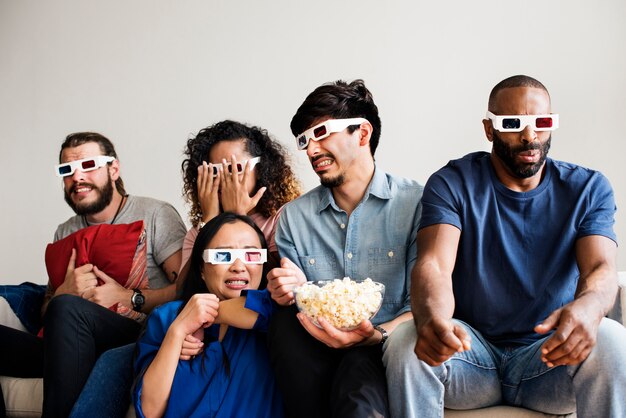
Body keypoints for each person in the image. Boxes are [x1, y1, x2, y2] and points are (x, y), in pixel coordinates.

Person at [383, 75, 626, 418]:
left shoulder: (588, 187)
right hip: (471, 357)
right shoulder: (453, 182)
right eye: (513, 124)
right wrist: (432, 319)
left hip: (550, 358)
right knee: (406, 341)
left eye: (541, 123)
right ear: (489, 129)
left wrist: (589, 306)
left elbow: (601, 268)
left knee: (612, 339)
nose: (530, 136)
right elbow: (434, 264)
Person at [0, 132, 187, 418]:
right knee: (64, 306)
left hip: (134, 335)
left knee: (69, 309)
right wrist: (62, 292)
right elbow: (49, 310)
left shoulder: (155, 213)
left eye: (89, 165)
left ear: (113, 169)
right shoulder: (65, 230)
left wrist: (129, 297)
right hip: (71, 344)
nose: (77, 176)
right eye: (67, 170)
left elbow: (185, 290)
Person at [266, 79, 423, 418]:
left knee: (356, 380)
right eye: (305, 141)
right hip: (315, 345)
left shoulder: (417, 204)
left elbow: (425, 306)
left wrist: (376, 336)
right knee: (282, 324)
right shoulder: (294, 218)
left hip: (383, 343)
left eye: (321, 133)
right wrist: (284, 290)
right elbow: (298, 300)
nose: (310, 150)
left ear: (362, 134)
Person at [133, 212, 284, 418]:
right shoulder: (167, 317)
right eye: (222, 256)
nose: (239, 267)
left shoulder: (275, 311)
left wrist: (210, 313)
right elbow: (150, 411)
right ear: (201, 269)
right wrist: (177, 333)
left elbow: (270, 310)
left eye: (252, 256)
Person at [179, 120, 301, 276]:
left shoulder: (282, 217)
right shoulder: (198, 231)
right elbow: (183, 290)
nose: (226, 177)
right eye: (215, 171)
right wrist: (210, 222)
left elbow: (277, 279)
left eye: (235, 167)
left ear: (259, 169)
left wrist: (239, 219)